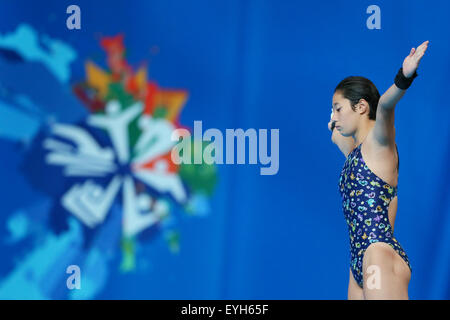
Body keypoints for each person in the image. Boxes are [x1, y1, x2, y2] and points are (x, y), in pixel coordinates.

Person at [328, 41, 429, 299]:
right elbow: (335, 135)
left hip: (378, 253)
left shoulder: (379, 143)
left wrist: (404, 76)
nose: (334, 117)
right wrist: (334, 121)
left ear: (361, 107)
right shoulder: (354, 153)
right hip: (358, 264)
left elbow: (384, 106)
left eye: (338, 109)